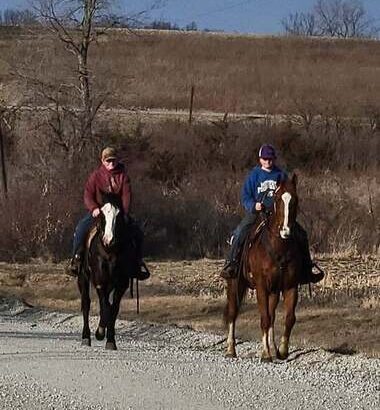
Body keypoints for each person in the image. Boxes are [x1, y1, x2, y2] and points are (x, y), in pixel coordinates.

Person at [220, 143, 324, 285]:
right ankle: (231, 264)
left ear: (274, 159)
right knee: (240, 233)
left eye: (270, 159)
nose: (268, 161)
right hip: (258, 213)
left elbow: (288, 193)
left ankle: (307, 269)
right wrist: (253, 205)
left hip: (278, 214)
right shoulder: (254, 175)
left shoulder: (280, 174)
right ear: (260, 159)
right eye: (265, 159)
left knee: (302, 234)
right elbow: (245, 196)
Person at [65, 146, 150, 281]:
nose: (111, 164)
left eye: (113, 160)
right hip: (99, 212)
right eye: (108, 161)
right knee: (81, 228)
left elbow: (127, 196)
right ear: (102, 161)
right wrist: (93, 208)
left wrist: (124, 212)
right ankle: (76, 260)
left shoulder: (123, 177)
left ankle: (137, 263)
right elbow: (88, 194)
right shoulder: (96, 176)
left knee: (137, 232)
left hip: (118, 212)